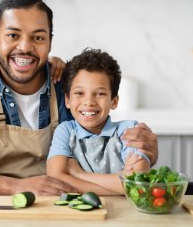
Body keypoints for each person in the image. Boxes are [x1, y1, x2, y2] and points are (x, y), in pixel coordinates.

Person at [0, 0, 158, 196]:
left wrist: (143, 152)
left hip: (68, 212)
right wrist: (15, 187)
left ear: (50, 42)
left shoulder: (70, 89)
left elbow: (104, 150)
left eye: (38, 37)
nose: (25, 47)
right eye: (13, 35)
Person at [46, 48, 150, 195]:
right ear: (68, 100)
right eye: (79, 93)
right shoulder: (65, 131)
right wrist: (121, 188)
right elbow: (56, 179)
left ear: (114, 101)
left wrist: (79, 174)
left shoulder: (129, 131)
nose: (89, 102)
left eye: (100, 94)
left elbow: (137, 183)